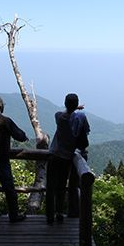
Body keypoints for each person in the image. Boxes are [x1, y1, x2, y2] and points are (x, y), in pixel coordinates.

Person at [47, 93, 90, 224]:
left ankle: (50, 215)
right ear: (76, 104)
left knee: (50, 186)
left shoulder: (59, 116)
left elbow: (65, 112)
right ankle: (59, 212)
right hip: (67, 157)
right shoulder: (81, 117)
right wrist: (77, 109)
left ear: (65, 103)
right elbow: (86, 131)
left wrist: (74, 108)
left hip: (54, 155)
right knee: (61, 186)